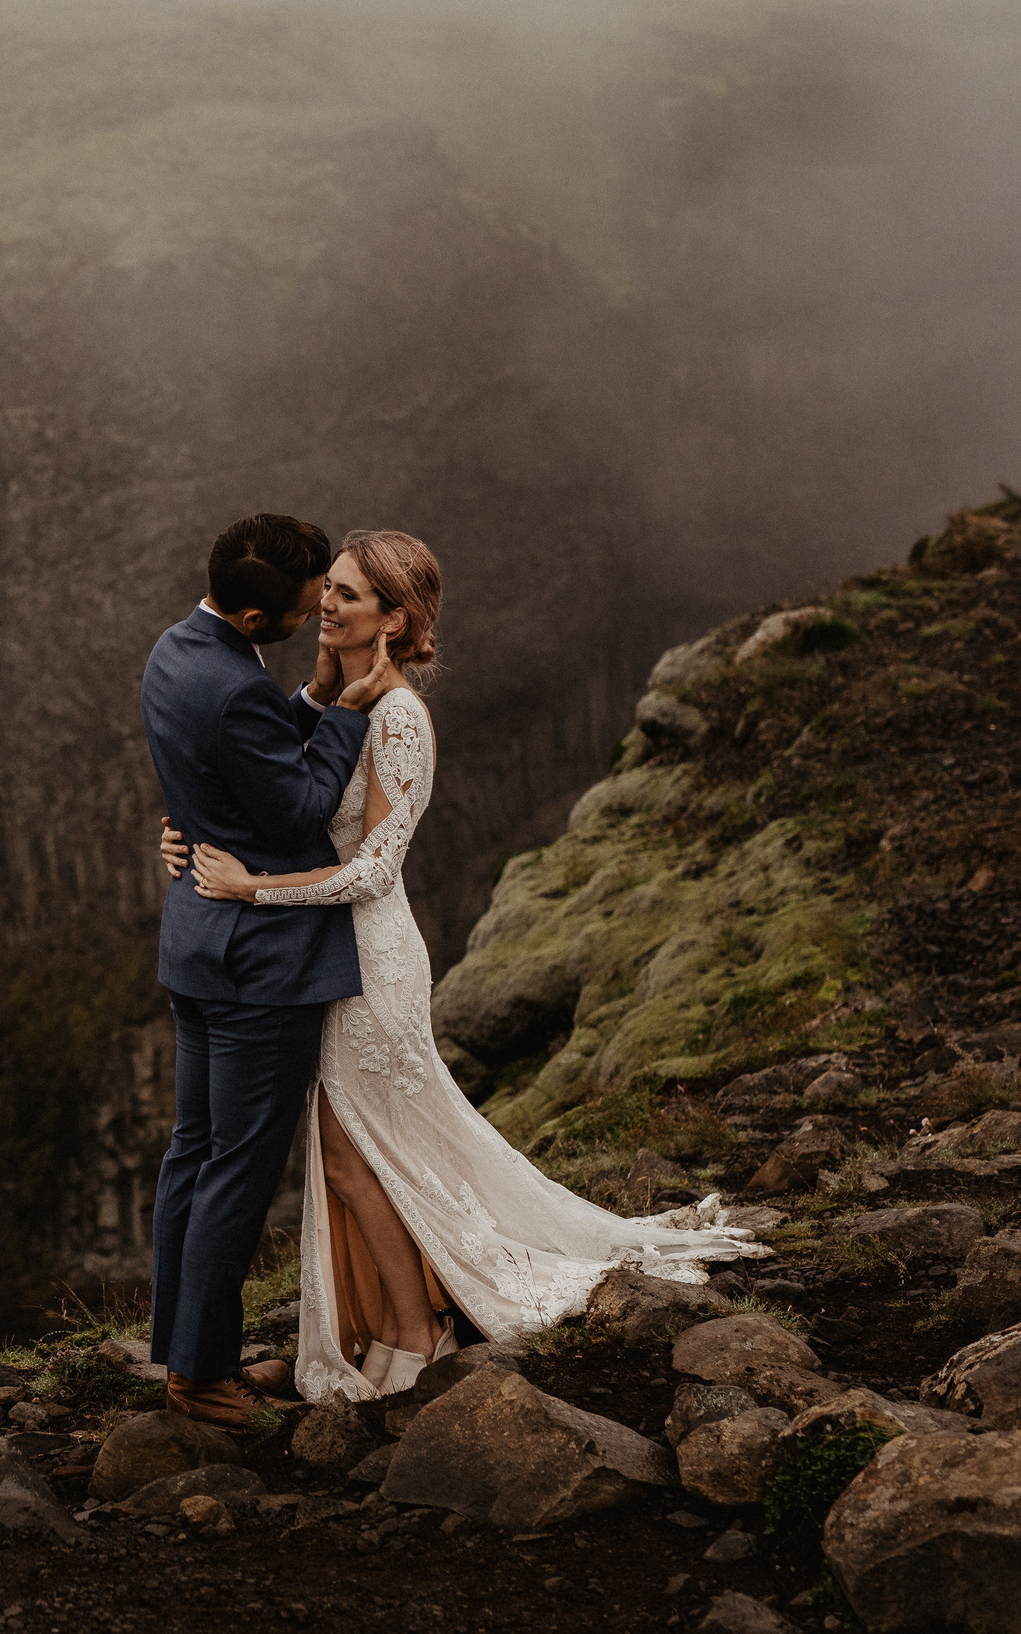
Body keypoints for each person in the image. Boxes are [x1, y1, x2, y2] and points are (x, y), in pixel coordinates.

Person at [161, 528, 760, 1402]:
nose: (325, 604)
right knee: (354, 1159)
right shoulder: (340, 700)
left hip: (366, 956)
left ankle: (415, 1330)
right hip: (321, 958)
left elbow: (373, 869)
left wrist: (256, 891)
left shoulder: (398, 717)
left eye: (349, 595)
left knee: (349, 1159)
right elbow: (260, 779)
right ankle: (402, 1322)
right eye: (325, 588)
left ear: (395, 619)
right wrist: (191, 827)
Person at [138, 513, 398, 1432]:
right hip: (259, 962)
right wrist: (345, 712)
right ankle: (200, 1375)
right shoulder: (235, 684)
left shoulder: (176, 650)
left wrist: (308, 697)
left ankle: (181, 1347)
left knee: (193, 1151)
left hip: (197, 942)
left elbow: (227, 759)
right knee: (238, 1168)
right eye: (305, 603)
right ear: (254, 616)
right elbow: (294, 805)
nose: (319, 608)